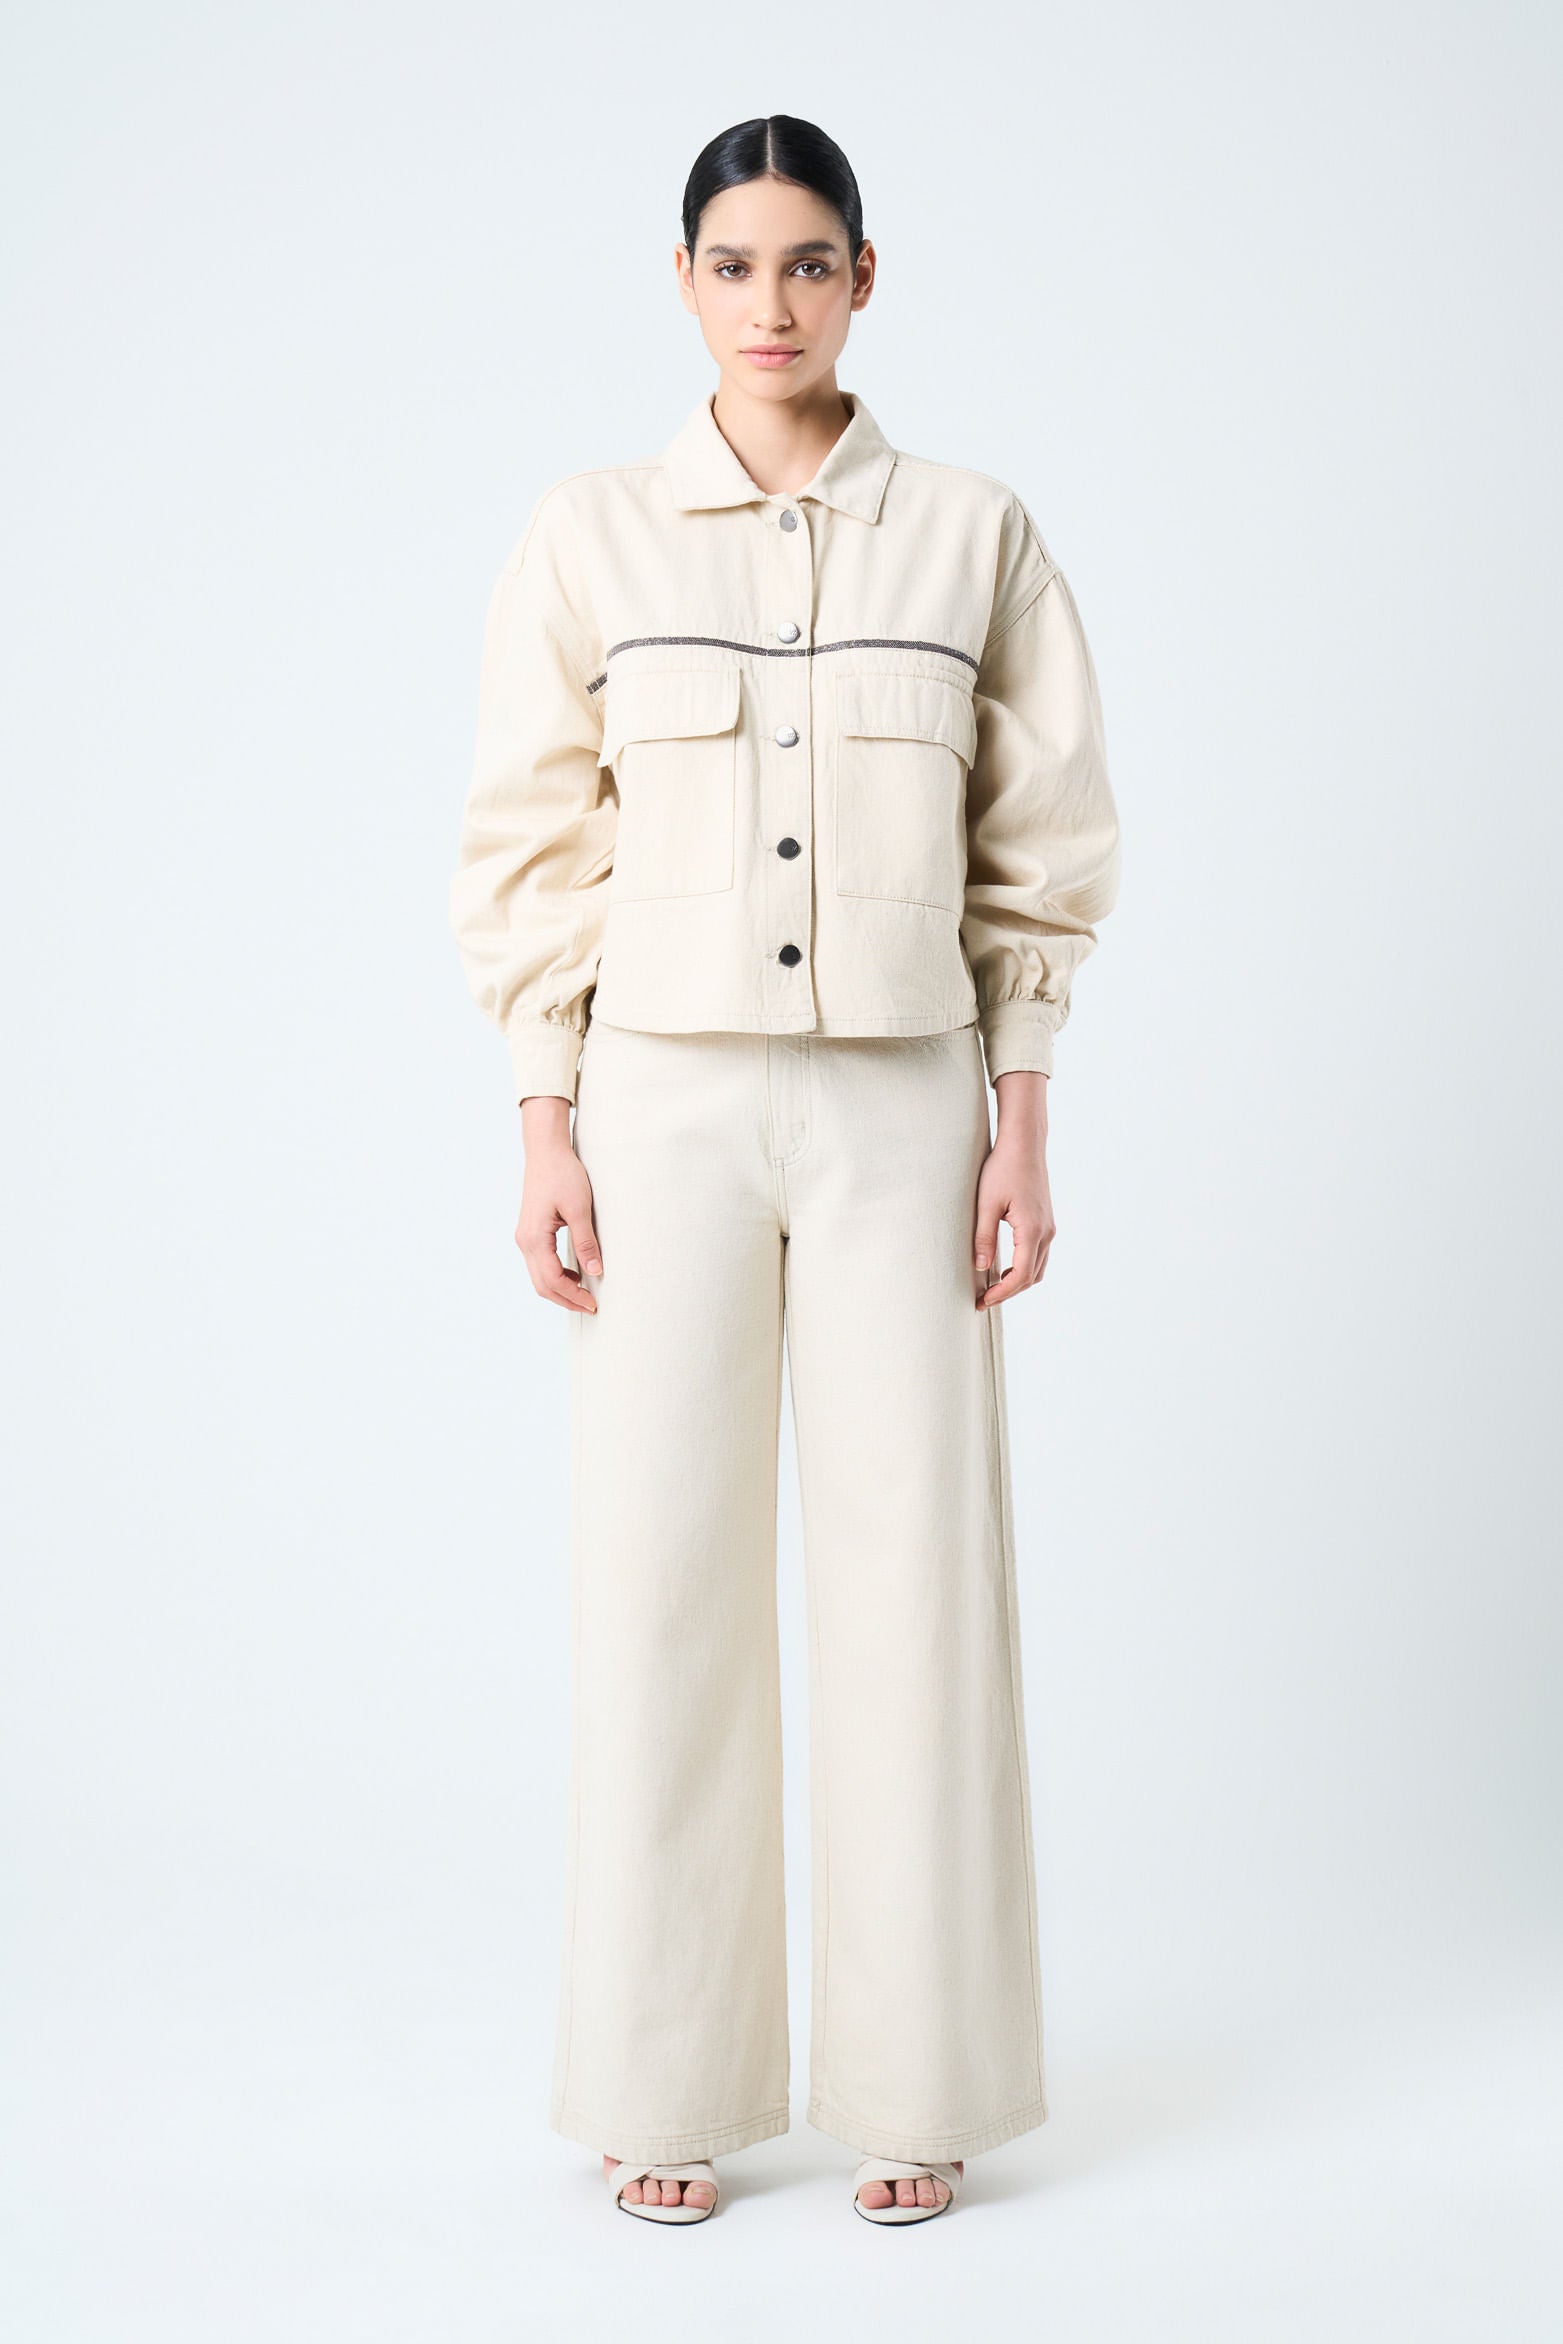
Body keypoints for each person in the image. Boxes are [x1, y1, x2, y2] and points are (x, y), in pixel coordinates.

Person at [449, 113, 1120, 2229]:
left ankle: (918, 2082)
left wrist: (1021, 1111)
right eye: (732, 266)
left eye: (807, 263)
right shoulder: (589, 537)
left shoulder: (974, 535)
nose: (770, 304)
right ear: (683, 282)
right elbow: (529, 841)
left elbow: (1041, 847)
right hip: (655, 1104)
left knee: (917, 1585)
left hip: (905, 1106)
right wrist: (542, 1118)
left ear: (862, 280)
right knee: (661, 1582)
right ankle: (668, 2081)